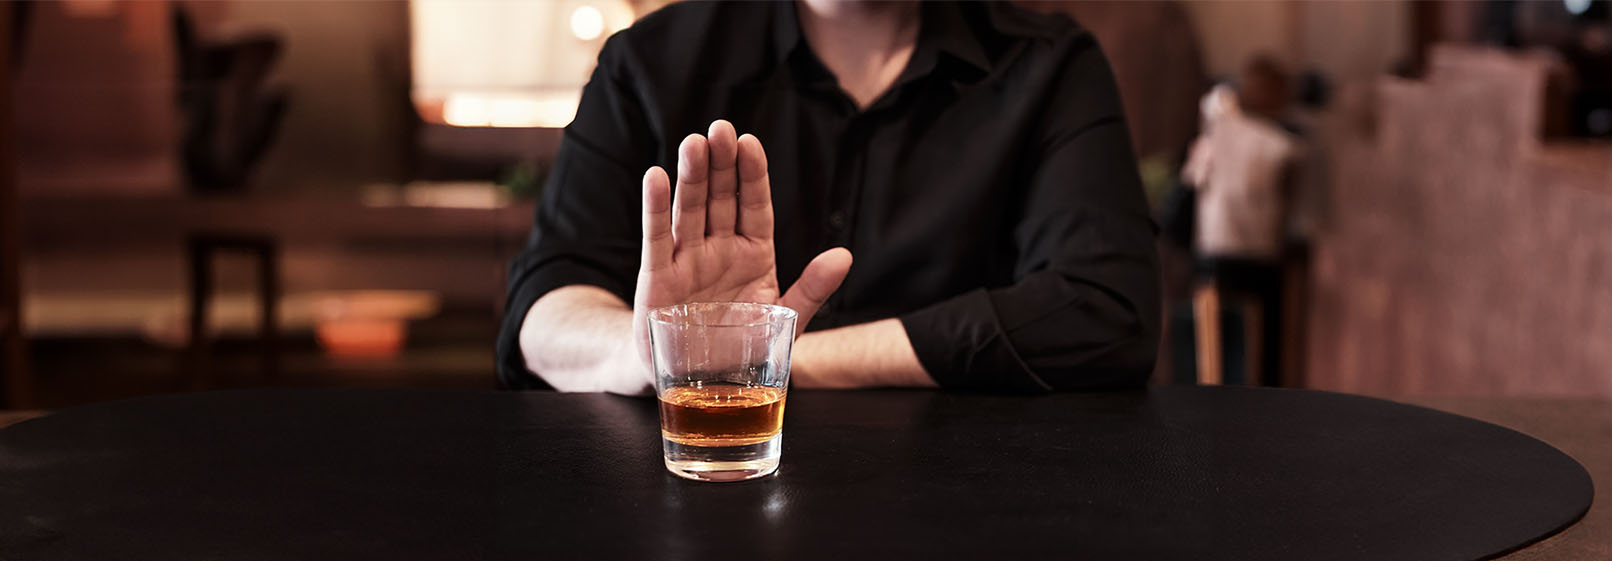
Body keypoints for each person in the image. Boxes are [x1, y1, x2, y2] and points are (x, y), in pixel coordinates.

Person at [496, 0, 1159, 394]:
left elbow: (1105, 312)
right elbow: (546, 305)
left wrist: (764, 358)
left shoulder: (1053, 67)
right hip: (692, 509)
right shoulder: (647, 64)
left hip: (969, 522)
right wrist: (655, 354)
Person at [1180, 56, 1300, 385]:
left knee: (1211, 345)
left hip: (1214, 252)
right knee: (1264, 347)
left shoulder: (1215, 134)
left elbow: (1192, 182)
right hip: (1260, 257)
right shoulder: (1283, 147)